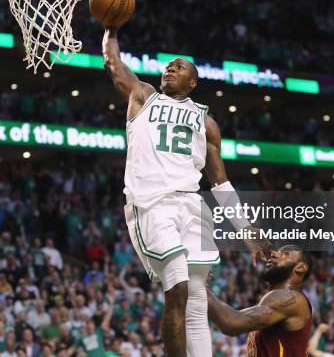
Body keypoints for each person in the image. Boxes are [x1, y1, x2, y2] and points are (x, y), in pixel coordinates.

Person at [102, 27, 267, 356]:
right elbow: (113, 62)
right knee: (176, 286)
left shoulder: (206, 122)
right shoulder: (143, 95)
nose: (171, 68)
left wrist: (247, 234)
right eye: (168, 66)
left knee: (196, 301)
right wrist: (111, 27)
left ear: (193, 82)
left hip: (192, 206)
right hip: (152, 204)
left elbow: (220, 183)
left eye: (180, 67)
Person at [207, 245, 313, 357]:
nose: (274, 253)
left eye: (285, 254)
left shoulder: (291, 298)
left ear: (301, 267)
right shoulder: (279, 299)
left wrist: (198, 284)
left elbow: (230, 323)